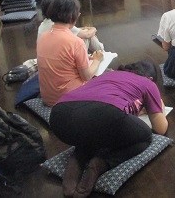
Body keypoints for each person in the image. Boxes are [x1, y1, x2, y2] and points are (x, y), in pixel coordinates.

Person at [50, 60, 168, 198]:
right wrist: (158, 103)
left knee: (94, 130)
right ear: (151, 78)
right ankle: (101, 162)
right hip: (103, 114)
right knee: (145, 136)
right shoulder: (148, 83)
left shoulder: (108, 74)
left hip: (59, 117)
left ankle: (77, 157)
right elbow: (160, 128)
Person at [37, 0, 103, 106]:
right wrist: (97, 60)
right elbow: (86, 76)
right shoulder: (75, 42)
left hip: (48, 98)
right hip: (71, 100)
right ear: (74, 16)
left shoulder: (43, 36)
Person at [38, 0, 104, 53]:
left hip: (50, 57)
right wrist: (93, 29)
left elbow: (70, 30)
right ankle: (102, 51)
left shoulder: (43, 25)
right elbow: (87, 35)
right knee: (86, 36)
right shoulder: (58, 22)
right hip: (62, 58)